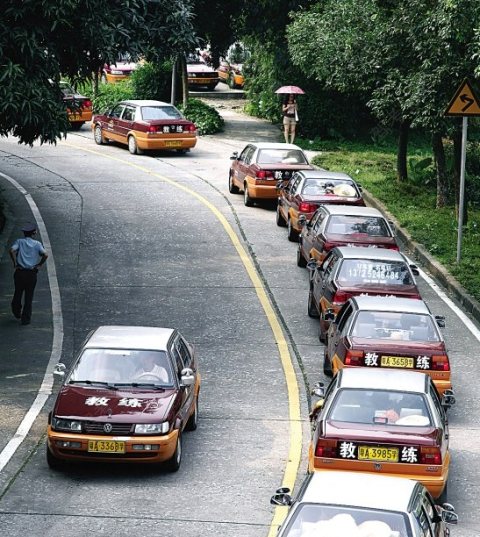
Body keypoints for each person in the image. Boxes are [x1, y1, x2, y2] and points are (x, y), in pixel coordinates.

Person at [9, 223, 48, 325]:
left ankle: (16, 310)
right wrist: (39, 264)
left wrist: (15, 263)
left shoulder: (19, 242)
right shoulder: (37, 244)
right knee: (29, 296)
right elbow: (45, 254)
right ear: (34, 232)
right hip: (31, 273)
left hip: (20, 272)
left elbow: (12, 250)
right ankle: (26, 319)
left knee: (18, 292)